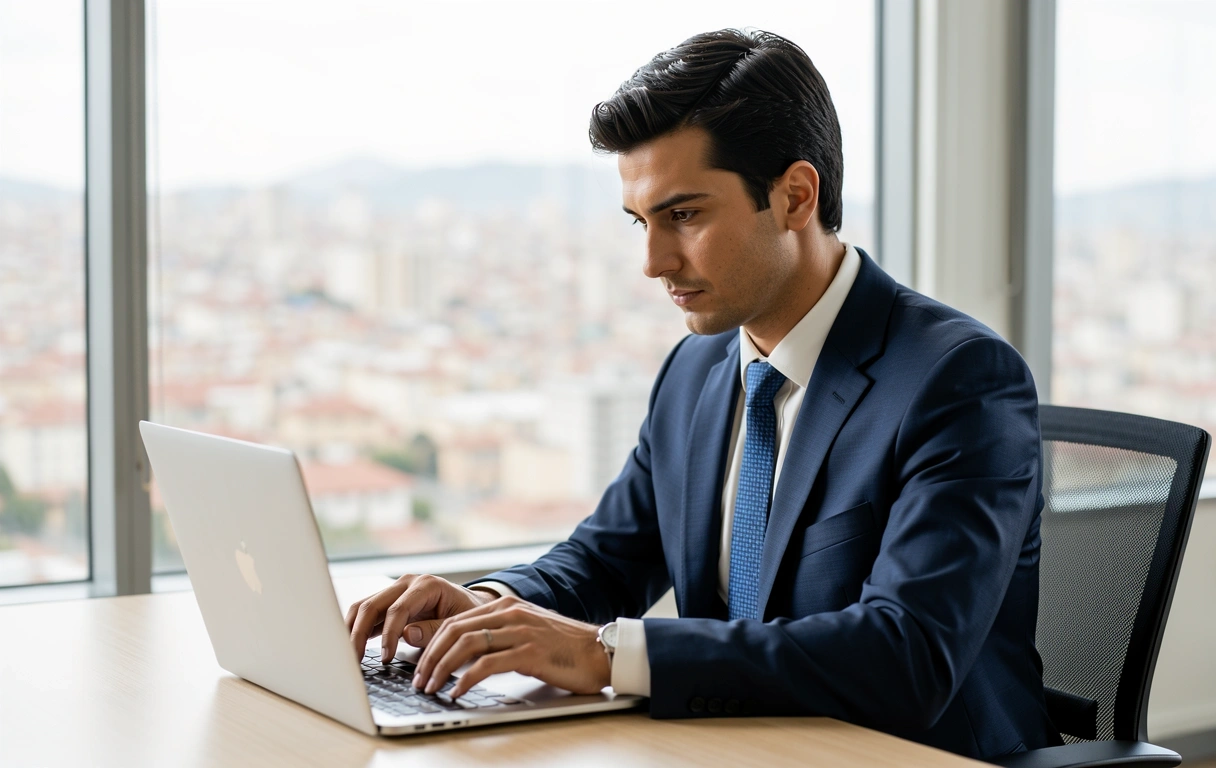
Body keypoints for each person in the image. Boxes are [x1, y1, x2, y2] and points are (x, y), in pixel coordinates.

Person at [345, 28, 1060, 760]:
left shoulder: (960, 381)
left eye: (683, 216)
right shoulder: (696, 369)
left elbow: (905, 656)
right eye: (641, 222)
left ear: (795, 196)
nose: (654, 261)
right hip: (734, 746)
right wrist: (486, 606)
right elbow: (608, 560)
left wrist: (603, 654)